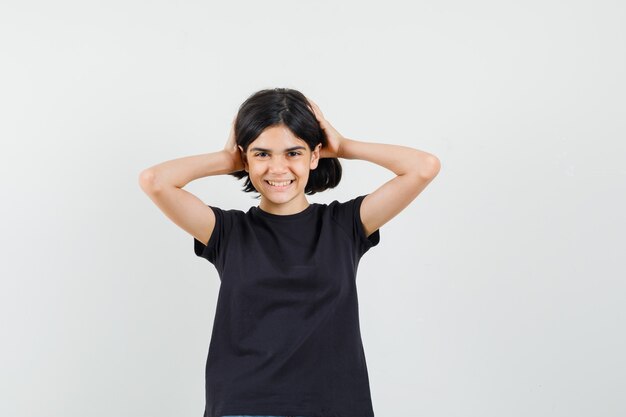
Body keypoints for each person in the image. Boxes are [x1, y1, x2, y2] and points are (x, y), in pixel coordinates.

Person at [138, 88, 441, 417]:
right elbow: (154, 180)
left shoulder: (345, 225)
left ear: (315, 156)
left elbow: (424, 167)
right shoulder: (227, 232)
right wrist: (228, 159)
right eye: (262, 154)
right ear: (246, 158)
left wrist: (343, 146)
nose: (278, 168)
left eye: (293, 153)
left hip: (336, 406)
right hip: (246, 406)